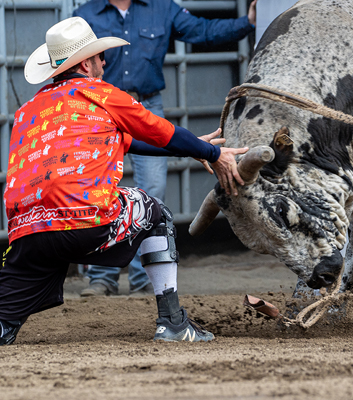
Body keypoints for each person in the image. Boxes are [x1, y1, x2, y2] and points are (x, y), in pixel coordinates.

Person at [0, 17, 248, 345]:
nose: (104, 61)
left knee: (5, 313)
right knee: (155, 212)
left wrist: (194, 149)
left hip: (27, 233)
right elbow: (163, 132)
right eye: (99, 56)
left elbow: (131, 141)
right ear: (86, 63)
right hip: (85, 220)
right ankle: (173, 322)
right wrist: (213, 154)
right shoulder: (102, 95)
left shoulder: (27, 111)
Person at [73, 0, 257, 297]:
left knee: (153, 188)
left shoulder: (162, 7)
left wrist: (247, 21)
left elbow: (202, 30)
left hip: (145, 104)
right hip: (101, 105)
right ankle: (101, 277)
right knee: (97, 190)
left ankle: (142, 276)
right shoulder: (85, 13)